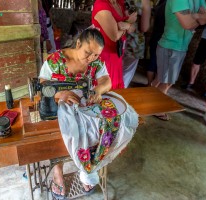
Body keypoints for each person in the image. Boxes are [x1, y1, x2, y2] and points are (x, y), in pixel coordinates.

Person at [39, 28, 139, 199]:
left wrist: (99, 90)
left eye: (95, 55)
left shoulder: (95, 63)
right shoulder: (55, 61)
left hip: (84, 104)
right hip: (60, 105)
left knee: (109, 124)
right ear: (78, 44)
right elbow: (42, 84)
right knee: (62, 134)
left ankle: (90, 166)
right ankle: (58, 172)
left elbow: (106, 81)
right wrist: (60, 94)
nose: (91, 58)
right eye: (88, 52)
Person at [152, 0, 206, 121]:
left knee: (161, 78)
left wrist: (196, 16)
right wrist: (198, 17)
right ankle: (156, 108)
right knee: (167, 81)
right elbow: (188, 24)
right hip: (171, 45)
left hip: (180, 46)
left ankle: (150, 100)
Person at [92, 0, 137, 89]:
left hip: (117, 54)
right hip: (105, 57)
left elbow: (133, 27)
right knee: (106, 91)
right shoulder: (101, 4)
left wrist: (125, 25)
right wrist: (128, 24)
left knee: (116, 91)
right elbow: (114, 35)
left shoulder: (120, 3)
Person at [123, 0, 151, 88]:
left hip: (118, 38)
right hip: (134, 44)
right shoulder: (145, 2)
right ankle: (117, 95)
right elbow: (144, 27)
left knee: (110, 71)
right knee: (126, 74)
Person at [147, 0, 167, 86]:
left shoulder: (160, 5)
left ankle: (148, 84)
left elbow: (152, 21)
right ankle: (153, 86)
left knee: (152, 60)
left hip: (155, 35)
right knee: (160, 64)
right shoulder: (174, 7)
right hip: (165, 37)